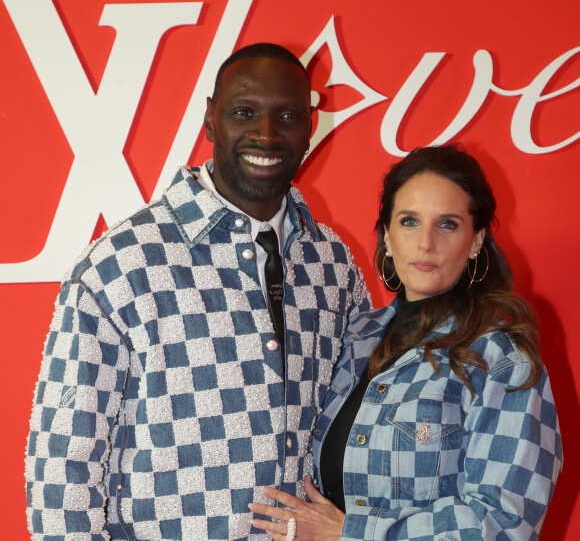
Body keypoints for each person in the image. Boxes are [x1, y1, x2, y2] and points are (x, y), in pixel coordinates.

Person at [24, 43, 371, 540]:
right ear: (211, 120)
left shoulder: (332, 263)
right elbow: (62, 468)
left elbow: (358, 431)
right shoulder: (121, 265)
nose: (267, 134)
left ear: (311, 126)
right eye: (244, 112)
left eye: (288, 115)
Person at [250, 145, 562, 540]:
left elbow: (504, 523)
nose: (426, 242)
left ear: (476, 240)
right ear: (387, 235)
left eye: (447, 224)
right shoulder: (352, 338)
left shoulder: (501, 360)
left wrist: (351, 533)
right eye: (410, 221)